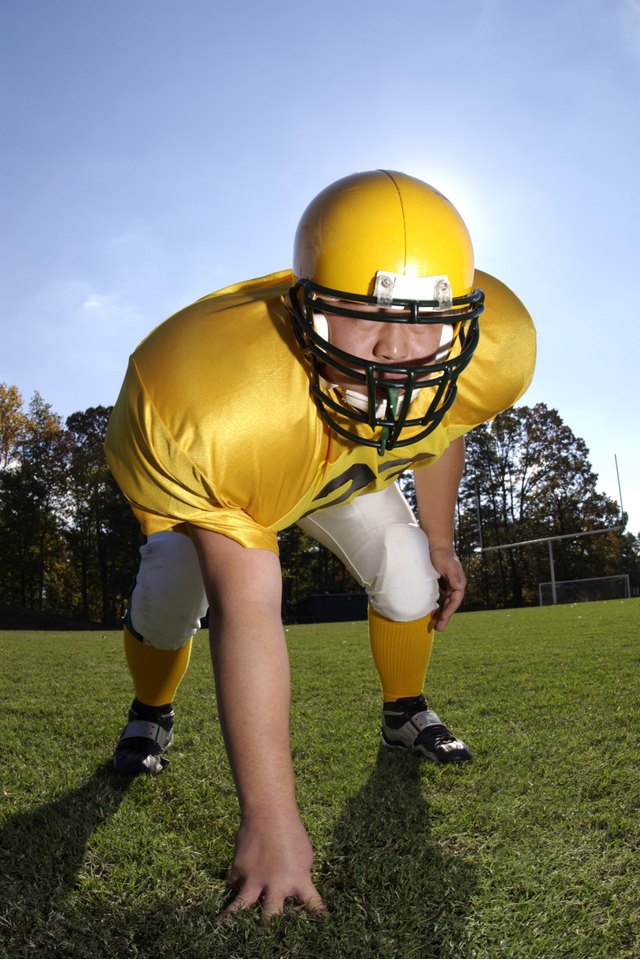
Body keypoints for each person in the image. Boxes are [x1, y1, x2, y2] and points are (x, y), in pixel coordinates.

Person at [104, 169, 536, 917]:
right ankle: (151, 711)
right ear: (306, 308)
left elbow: (444, 424)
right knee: (171, 598)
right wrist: (270, 818)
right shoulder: (214, 400)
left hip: (336, 467)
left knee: (408, 573)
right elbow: (251, 610)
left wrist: (440, 540)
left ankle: (405, 712)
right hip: (254, 452)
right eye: (363, 316)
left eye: (424, 320)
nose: (398, 351)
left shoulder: (496, 345)